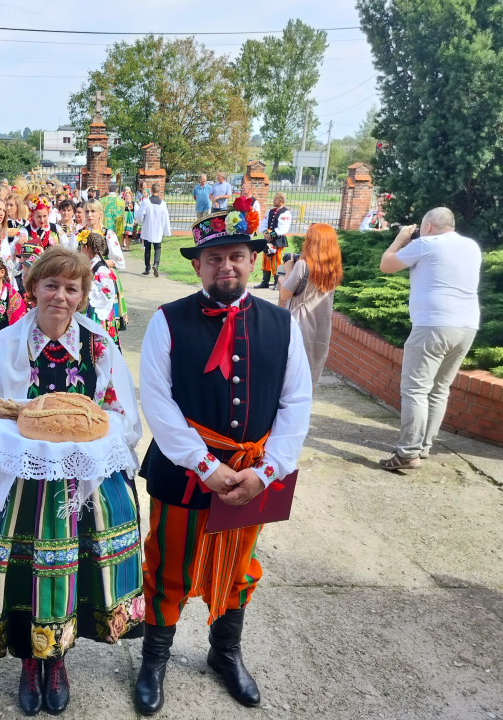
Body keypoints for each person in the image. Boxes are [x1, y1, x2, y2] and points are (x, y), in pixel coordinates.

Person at [0, 247, 143, 716]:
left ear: (82, 296)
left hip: (79, 485)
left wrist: (89, 440)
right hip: (19, 481)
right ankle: (29, 662)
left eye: (71, 288)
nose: (60, 296)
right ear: (32, 289)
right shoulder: (5, 344)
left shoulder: (98, 345)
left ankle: (57, 661)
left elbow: (120, 414)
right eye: (51, 285)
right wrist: (10, 440)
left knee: (70, 572)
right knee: (21, 573)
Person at [135, 213, 312, 714]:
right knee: (168, 565)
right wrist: (204, 464)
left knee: (240, 567)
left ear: (253, 261)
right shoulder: (167, 321)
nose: (226, 267)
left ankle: (224, 653)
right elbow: (158, 402)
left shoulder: (282, 324)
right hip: (184, 474)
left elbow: (296, 402)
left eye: (236, 257)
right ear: (199, 267)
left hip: (255, 475)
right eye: (214, 258)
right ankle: (155, 660)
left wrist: (268, 471)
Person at [378, 207, 481, 471]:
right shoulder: (471, 246)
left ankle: (407, 453)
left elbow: (387, 265)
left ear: (428, 226)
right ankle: (423, 447)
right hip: (467, 326)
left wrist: (401, 238)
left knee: (415, 389)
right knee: (439, 389)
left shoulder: (426, 243)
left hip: (433, 325)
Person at [278, 223, 343, 385]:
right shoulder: (334, 269)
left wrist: (287, 271)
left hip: (300, 323)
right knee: (310, 378)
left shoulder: (303, 265)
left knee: (292, 377)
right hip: (322, 327)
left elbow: (285, 294)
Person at [83, 199, 127, 329]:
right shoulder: (79, 233)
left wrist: (96, 262)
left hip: (103, 278)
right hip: (84, 277)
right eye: (87, 211)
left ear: (100, 214)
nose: (89, 215)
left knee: (104, 321)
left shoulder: (108, 234)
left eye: (93, 211)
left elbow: (119, 262)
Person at [79, 231, 121, 347]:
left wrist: (88, 287)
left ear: (86, 248)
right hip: (89, 310)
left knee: (99, 345)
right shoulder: (91, 265)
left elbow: (108, 294)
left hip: (98, 313)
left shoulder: (101, 269)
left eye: (81, 248)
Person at [136, 182, 171, 277]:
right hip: (158, 229)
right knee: (157, 248)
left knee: (147, 248)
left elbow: (140, 215)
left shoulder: (146, 202)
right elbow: (166, 218)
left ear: (151, 190)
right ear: (159, 191)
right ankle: (156, 264)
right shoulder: (163, 203)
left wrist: (141, 221)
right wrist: (166, 230)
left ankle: (147, 268)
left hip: (148, 227)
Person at [257, 193, 292, 290]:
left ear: (280, 200)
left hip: (277, 239)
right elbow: (263, 223)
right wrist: (265, 232)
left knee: (277, 261)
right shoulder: (271, 211)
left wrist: (271, 235)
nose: (273, 201)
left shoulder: (285, 213)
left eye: (275, 199)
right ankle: (265, 282)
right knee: (266, 259)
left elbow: (283, 228)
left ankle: (277, 282)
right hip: (268, 239)